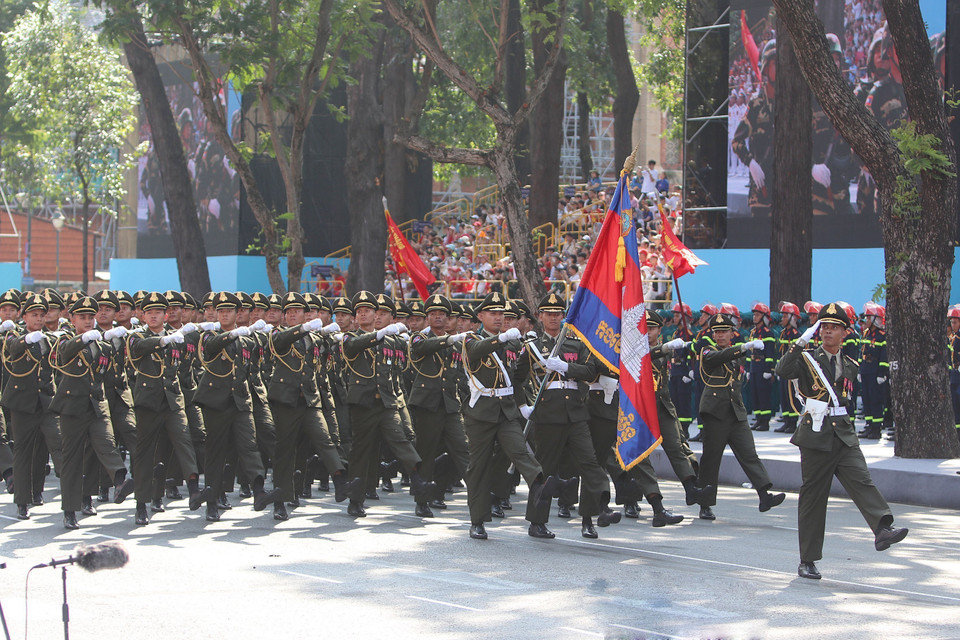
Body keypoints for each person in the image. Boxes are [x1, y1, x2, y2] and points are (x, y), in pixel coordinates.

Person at [776, 304, 908, 580]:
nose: (827, 331)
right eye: (823, 326)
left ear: (845, 333)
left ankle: (882, 529)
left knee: (862, 480)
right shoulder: (807, 359)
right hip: (816, 435)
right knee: (813, 498)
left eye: (833, 327)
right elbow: (782, 370)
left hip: (844, 433)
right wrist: (800, 342)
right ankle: (808, 560)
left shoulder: (850, 365)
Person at [461, 292, 564, 540]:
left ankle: (540, 485)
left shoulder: (514, 344)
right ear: (481, 316)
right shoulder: (470, 338)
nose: (499, 318)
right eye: (493, 314)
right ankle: (478, 521)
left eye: (502, 314)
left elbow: (517, 377)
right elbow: (476, 350)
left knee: (521, 452)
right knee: (479, 467)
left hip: (506, 411)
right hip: (481, 413)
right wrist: (501, 339)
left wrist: (522, 405)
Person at [49, 296, 135, 529]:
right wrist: (83, 339)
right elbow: (65, 352)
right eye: (82, 317)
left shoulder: (101, 343)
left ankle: (119, 481)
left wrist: (116, 345)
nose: (87, 321)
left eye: (90, 317)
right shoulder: (65, 338)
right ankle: (70, 510)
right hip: (72, 408)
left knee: (107, 444)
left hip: (97, 404)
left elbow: (109, 374)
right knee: (72, 459)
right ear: (72, 318)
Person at [696, 313, 786, 520]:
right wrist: (743, 348)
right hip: (715, 413)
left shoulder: (735, 352)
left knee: (749, 454)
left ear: (731, 333)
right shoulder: (708, 350)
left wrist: (741, 350)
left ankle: (764, 495)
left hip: (736, 412)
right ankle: (705, 504)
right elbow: (715, 358)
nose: (720, 335)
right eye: (716, 332)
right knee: (711, 459)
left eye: (724, 332)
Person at [2, 292, 63, 520]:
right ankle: (22, 501)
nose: (38, 319)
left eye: (41, 315)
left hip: (47, 401)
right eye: (34, 315)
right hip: (23, 404)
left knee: (59, 445)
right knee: (23, 451)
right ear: (24, 316)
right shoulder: (14, 334)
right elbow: (12, 348)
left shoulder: (53, 337)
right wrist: (28, 339)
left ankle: (73, 498)